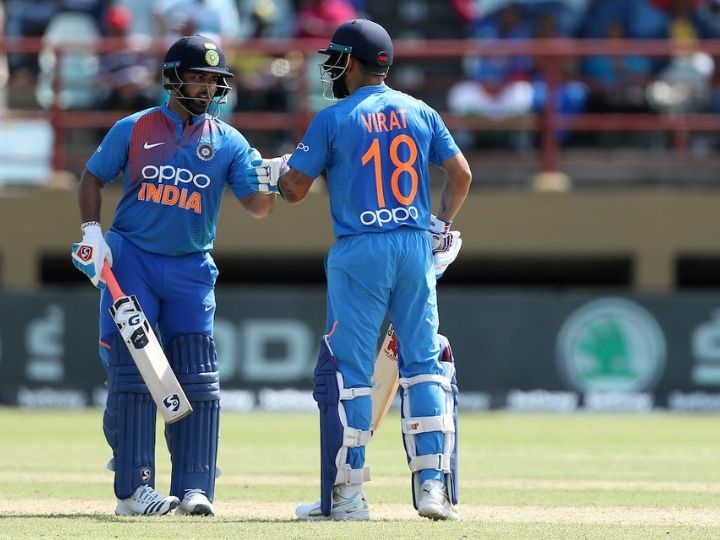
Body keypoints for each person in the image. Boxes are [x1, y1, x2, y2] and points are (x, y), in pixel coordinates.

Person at [247, 19, 472, 521]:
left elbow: (296, 189)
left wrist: (277, 174)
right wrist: (440, 224)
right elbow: (461, 174)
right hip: (414, 245)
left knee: (349, 373)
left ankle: (348, 497)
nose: (331, 69)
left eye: (335, 60)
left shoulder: (333, 118)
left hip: (360, 249)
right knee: (422, 364)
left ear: (350, 62)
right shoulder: (420, 110)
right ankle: (432, 489)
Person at [70, 34, 276, 516]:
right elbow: (92, 176)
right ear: (173, 78)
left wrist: (271, 182)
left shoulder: (229, 141)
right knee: (135, 371)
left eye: (213, 80)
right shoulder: (134, 128)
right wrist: (91, 231)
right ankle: (133, 489)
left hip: (192, 266)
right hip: (133, 259)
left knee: (197, 376)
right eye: (198, 77)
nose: (206, 88)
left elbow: (258, 207)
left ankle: (195, 488)